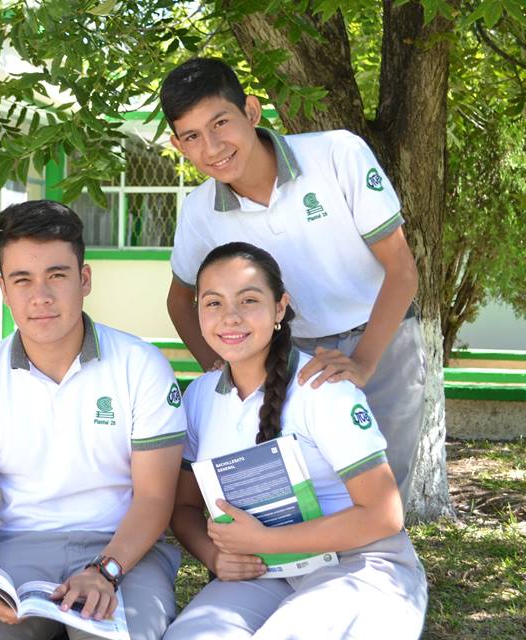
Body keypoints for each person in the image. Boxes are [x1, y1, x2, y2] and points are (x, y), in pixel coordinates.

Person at [161, 57, 425, 502]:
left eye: (221, 123)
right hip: (285, 355)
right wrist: (223, 367)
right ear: (178, 144)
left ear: (251, 111)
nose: (212, 146)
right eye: (192, 136)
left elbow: (402, 270)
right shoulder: (199, 210)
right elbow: (179, 300)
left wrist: (363, 362)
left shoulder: (337, 154)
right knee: (296, 499)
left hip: (382, 339)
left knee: (382, 498)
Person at [0, 200, 187, 640]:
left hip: (124, 551)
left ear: (84, 279)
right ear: (3, 289)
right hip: (15, 553)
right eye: (22, 280)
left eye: (57, 275)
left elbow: (154, 499)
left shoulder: (141, 365)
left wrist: (105, 571)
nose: (41, 297)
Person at [164, 242, 427, 639]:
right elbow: (183, 507)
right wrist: (214, 555)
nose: (230, 317)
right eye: (213, 303)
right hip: (264, 570)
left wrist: (265, 538)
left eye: (248, 300)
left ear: (279, 308)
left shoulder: (322, 387)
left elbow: (384, 514)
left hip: (358, 564)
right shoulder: (200, 397)